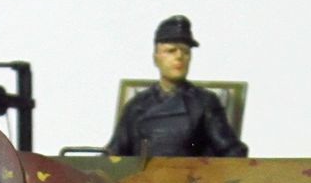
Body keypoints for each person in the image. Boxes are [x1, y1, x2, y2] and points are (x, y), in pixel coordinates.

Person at [106, 15, 248, 158]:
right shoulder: (136, 106)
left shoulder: (204, 102)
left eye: (185, 52)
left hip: (191, 172)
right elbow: (113, 155)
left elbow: (232, 152)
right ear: (156, 58)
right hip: (144, 172)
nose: (179, 57)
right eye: (171, 51)